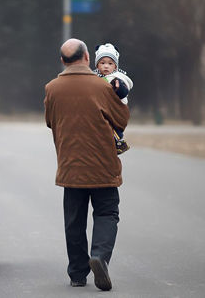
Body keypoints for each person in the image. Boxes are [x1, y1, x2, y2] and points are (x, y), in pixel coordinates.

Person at [44, 38, 130, 291]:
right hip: (103, 165)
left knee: (74, 220)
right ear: (87, 59)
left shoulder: (52, 88)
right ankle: (99, 256)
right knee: (106, 213)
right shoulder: (103, 87)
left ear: (62, 61)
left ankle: (78, 274)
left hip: (70, 166)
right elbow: (121, 120)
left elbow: (50, 121)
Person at [93, 43, 134, 154]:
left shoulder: (118, 77)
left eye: (110, 63)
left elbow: (124, 91)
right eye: (102, 63)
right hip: (102, 108)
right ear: (97, 65)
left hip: (115, 109)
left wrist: (119, 88)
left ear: (115, 66)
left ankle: (119, 141)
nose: (106, 66)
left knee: (113, 127)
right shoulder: (94, 77)